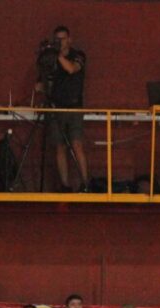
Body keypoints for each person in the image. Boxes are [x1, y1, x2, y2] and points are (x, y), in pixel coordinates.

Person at [44, 25, 90, 192]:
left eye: (63, 39)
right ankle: (65, 185)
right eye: (57, 39)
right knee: (59, 146)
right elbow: (44, 82)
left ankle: (86, 183)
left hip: (74, 108)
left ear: (69, 39)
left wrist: (57, 55)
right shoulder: (52, 59)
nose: (60, 42)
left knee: (77, 144)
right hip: (57, 108)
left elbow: (71, 69)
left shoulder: (78, 55)